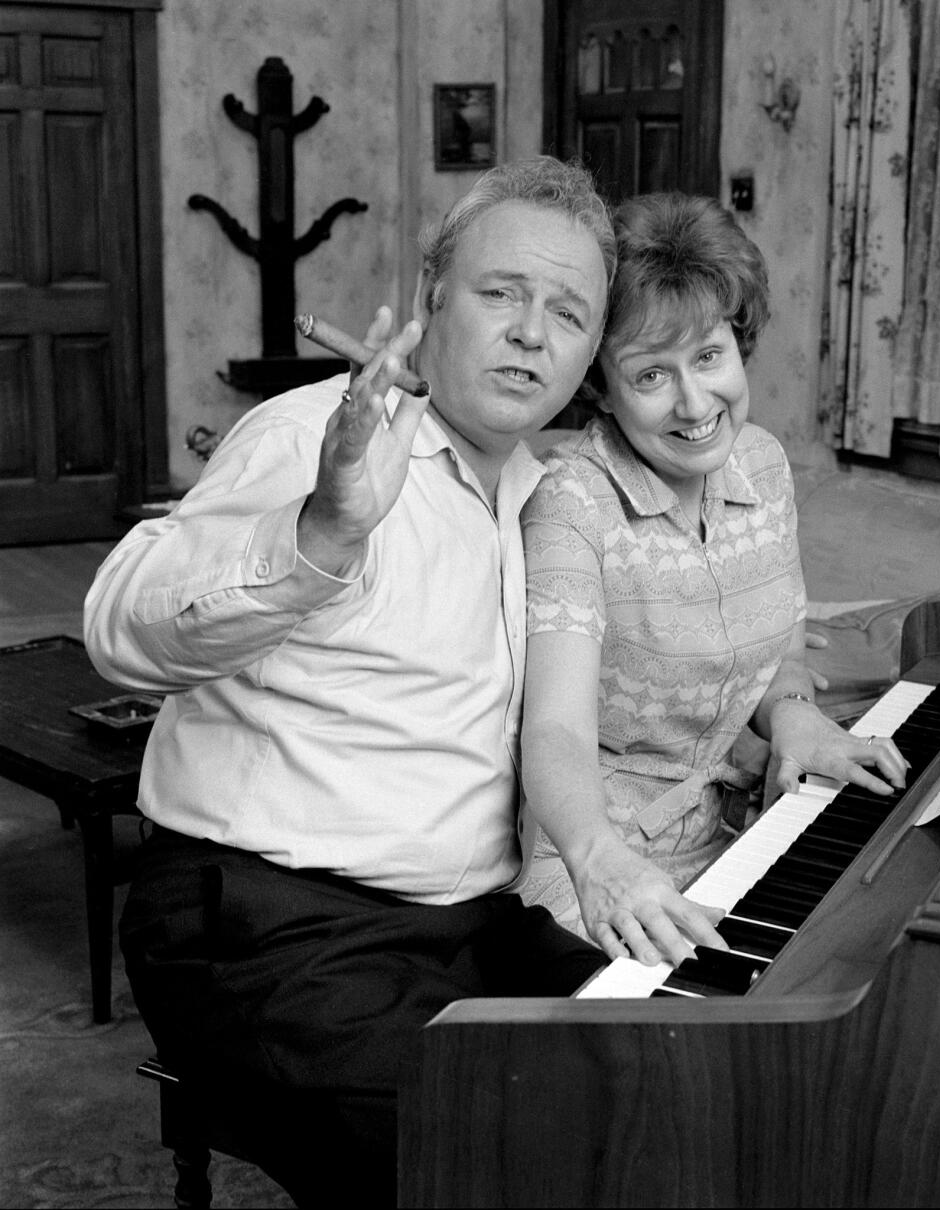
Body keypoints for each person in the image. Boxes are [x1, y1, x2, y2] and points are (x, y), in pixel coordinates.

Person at [83, 156, 615, 1208]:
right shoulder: (320, 439)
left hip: (466, 924)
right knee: (497, 1159)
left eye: (569, 311)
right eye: (501, 292)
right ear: (429, 303)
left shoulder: (540, 492)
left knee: (688, 1064)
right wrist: (319, 533)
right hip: (263, 928)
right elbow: (118, 626)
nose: (531, 331)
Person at [517, 192, 908, 969]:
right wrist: (599, 862)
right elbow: (554, 730)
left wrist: (791, 713)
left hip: (739, 830)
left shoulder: (761, 461)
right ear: (600, 382)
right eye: (651, 374)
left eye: (708, 357)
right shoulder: (571, 506)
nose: (695, 404)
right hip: (599, 866)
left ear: (740, 342)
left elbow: (775, 646)